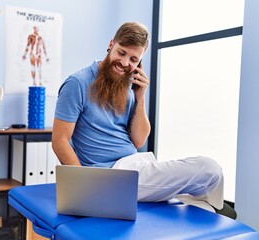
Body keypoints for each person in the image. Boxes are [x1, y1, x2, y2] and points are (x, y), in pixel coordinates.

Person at [52, 22, 236, 219]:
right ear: (111, 44)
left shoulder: (127, 85)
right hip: (112, 174)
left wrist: (140, 97)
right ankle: (212, 206)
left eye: (133, 59)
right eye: (121, 53)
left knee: (209, 172)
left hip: (136, 165)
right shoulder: (77, 83)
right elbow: (60, 140)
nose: (124, 63)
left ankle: (208, 205)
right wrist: (86, 187)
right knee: (209, 168)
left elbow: (138, 141)